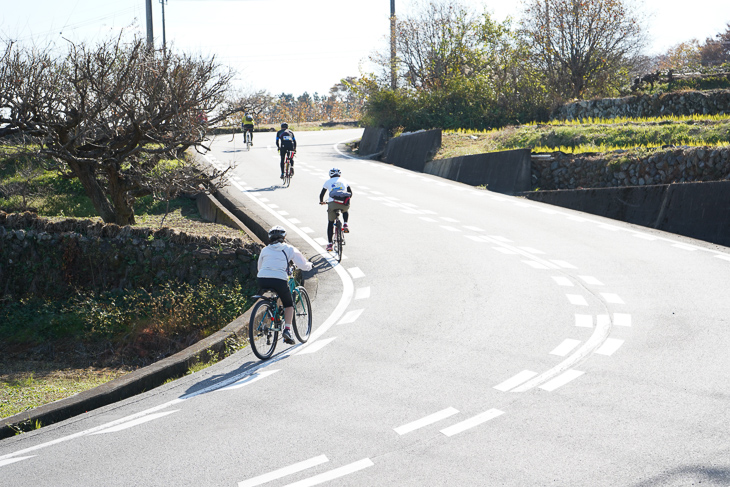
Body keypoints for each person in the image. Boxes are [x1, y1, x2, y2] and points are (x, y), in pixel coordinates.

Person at [257, 225, 313, 344]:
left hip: (262, 278)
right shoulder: (289, 249)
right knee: (289, 305)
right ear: (284, 237)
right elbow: (303, 264)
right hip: (279, 279)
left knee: (275, 295)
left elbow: (259, 267)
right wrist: (310, 266)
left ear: (270, 238)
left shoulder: (265, 250)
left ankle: (273, 313)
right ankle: (287, 330)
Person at [319, 167, 352, 252]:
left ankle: (330, 244)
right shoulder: (344, 180)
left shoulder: (328, 182)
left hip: (332, 204)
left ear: (330, 175)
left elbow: (322, 194)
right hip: (344, 203)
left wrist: (322, 201)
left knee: (330, 223)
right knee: (345, 210)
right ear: (340, 174)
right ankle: (345, 224)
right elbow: (350, 193)